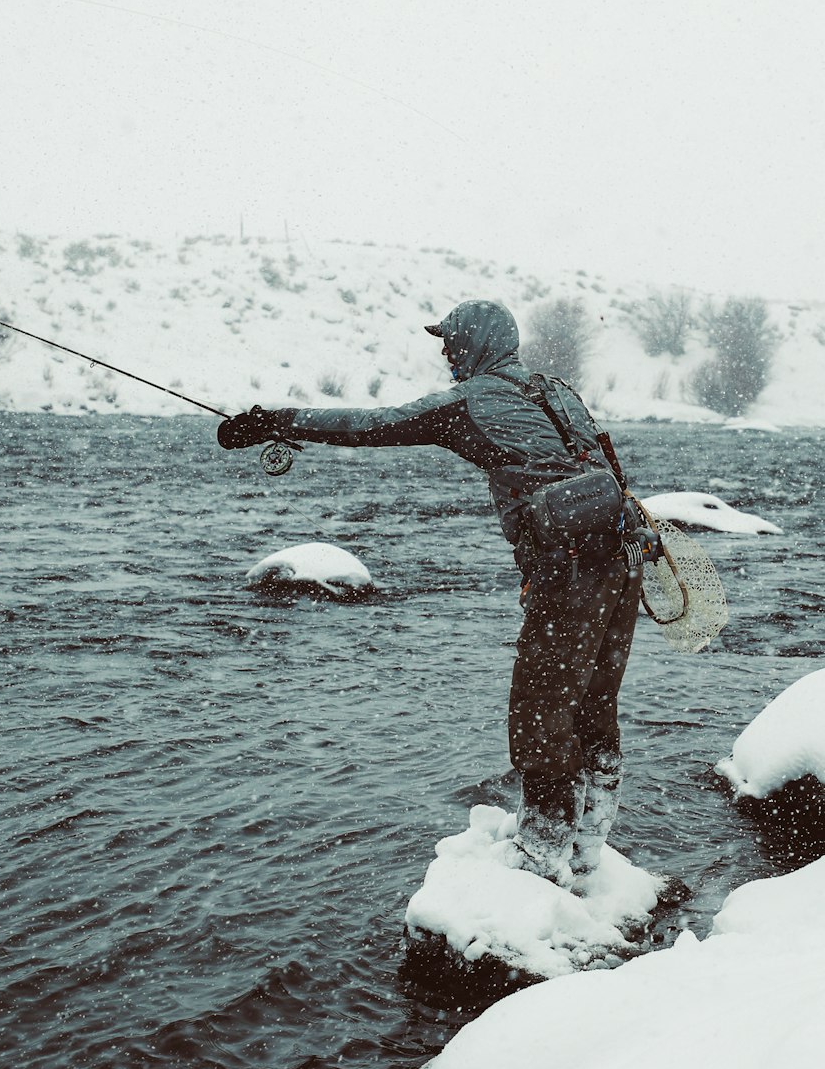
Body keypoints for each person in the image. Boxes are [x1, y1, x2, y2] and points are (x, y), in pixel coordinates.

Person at [217, 299, 644, 890]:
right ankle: (590, 848)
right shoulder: (556, 389)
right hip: (623, 556)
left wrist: (276, 420)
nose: (446, 354)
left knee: (540, 713)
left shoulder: (466, 402)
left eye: (451, 343)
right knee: (595, 707)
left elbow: (372, 425)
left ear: (475, 343)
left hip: (569, 569)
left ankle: (542, 863)